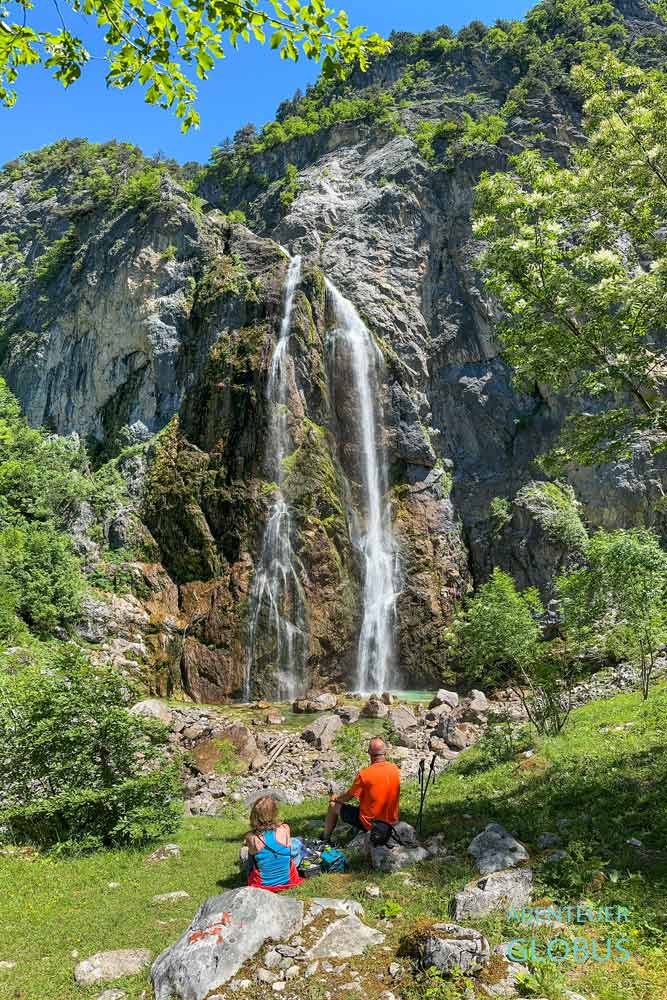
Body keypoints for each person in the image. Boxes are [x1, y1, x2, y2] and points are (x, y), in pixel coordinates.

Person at [323, 736, 400, 841]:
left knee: (333, 806)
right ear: (385, 752)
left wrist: (336, 799)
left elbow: (349, 796)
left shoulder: (364, 774)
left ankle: (325, 838)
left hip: (371, 824)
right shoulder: (394, 769)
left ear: (369, 753)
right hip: (392, 821)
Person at [244, 795, 304, 892]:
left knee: (247, 854)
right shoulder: (285, 828)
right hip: (288, 881)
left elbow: (251, 860)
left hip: (262, 886)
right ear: (275, 813)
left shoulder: (252, 838)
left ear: (254, 815)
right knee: (295, 843)